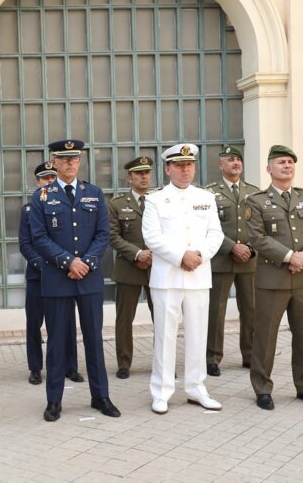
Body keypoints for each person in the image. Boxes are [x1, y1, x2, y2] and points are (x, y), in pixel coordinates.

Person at [29, 139, 120, 422]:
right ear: (54, 162)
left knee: (94, 339)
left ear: (79, 162)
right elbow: (39, 237)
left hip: (89, 278)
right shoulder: (42, 196)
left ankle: (100, 396)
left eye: (75, 159)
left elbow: (103, 234)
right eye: (64, 159)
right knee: (57, 341)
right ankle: (54, 400)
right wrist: (69, 261)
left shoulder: (93, 193)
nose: (70, 163)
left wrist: (86, 262)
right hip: (58, 278)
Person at [142, 143, 224, 415]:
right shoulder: (155, 200)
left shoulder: (206, 197)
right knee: (165, 336)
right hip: (167, 277)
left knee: (198, 335)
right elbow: (152, 237)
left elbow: (216, 234)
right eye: (178, 165)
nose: (185, 170)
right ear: (168, 169)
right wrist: (181, 257)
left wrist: (199, 255)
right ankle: (161, 391)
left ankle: (196, 388)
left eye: (189, 165)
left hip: (198, 275)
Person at [247, 145, 303, 410]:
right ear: (269, 168)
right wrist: (290, 256)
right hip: (272, 280)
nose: (287, 165)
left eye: (290, 162)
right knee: (265, 336)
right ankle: (262, 388)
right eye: (281, 162)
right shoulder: (256, 201)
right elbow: (257, 237)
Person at [19, 162, 83, 385]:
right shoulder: (29, 210)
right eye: (45, 178)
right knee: (34, 323)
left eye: (52, 177)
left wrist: (65, 264)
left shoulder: (67, 206)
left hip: (62, 274)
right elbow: (25, 244)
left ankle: (70, 366)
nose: (49, 181)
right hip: (38, 275)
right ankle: (36, 368)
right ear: (37, 182)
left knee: (66, 323)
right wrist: (43, 265)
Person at [204, 146, 259, 377]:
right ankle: (212, 358)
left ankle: (250, 355)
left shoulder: (254, 192)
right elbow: (206, 226)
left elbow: (260, 226)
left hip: (249, 261)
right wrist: (231, 247)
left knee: (251, 310)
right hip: (220, 260)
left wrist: (250, 249)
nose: (236, 163)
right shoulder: (209, 193)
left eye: (238, 159)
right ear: (221, 165)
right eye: (230, 159)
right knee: (216, 312)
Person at [108, 156, 155, 380]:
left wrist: (153, 254)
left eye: (147, 172)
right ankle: (124, 363)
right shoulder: (117, 204)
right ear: (129, 178)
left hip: (157, 268)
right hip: (129, 268)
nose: (144, 177)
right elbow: (112, 236)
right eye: (139, 173)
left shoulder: (159, 201)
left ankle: (162, 362)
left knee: (163, 319)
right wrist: (137, 254)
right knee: (125, 320)